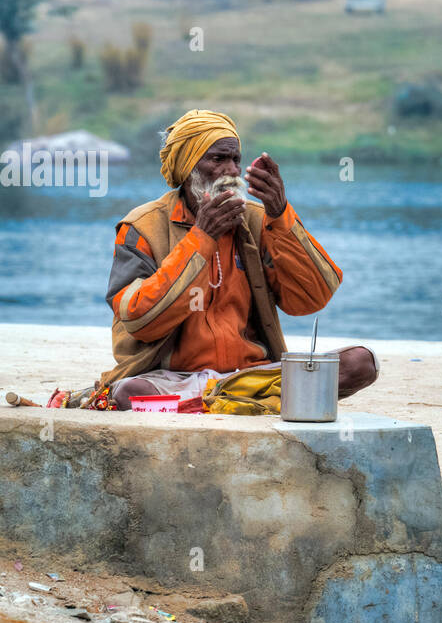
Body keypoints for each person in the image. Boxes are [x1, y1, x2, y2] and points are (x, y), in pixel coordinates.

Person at [98, 109, 376, 410]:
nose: (231, 170)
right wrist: (201, 238)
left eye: (235, 160)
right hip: (173, 378)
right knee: (130, 392)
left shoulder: (258, 221)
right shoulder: (142, 227)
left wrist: (280, 213)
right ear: (188, 165)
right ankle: (252, 403)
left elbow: (312, 297)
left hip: (250, 375)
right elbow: (140, 321)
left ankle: (215, 403)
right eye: (218, 159)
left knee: (360, 363)